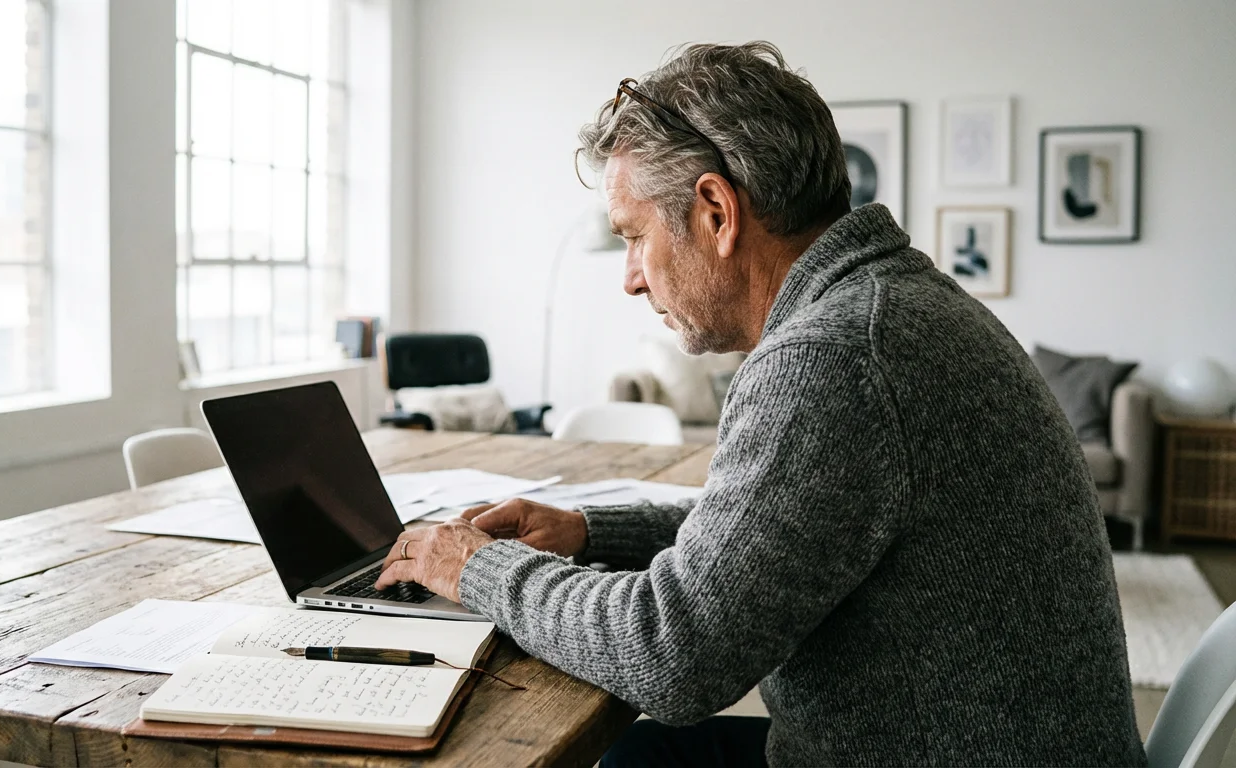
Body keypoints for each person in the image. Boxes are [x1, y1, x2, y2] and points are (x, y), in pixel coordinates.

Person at [375, 41, 1145, 767]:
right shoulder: (886, 306)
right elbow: (778, 533)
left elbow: (670, 655)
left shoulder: (832, 357)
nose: (631, 278)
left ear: (716, 211)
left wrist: (478, 568)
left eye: (634, 236)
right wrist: (586, 530)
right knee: (642, 757)